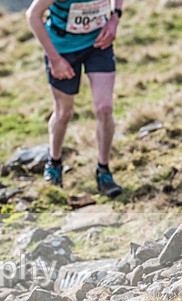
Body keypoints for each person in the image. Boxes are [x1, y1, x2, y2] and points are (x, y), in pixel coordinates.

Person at [26, 0, 124, 198]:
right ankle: (54, 163)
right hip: (62, 49)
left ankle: (103, 171)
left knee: (104, 108)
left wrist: (115, 17)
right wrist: (54, 59)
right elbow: (33, 15)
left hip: (98, 44)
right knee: (64, 112)